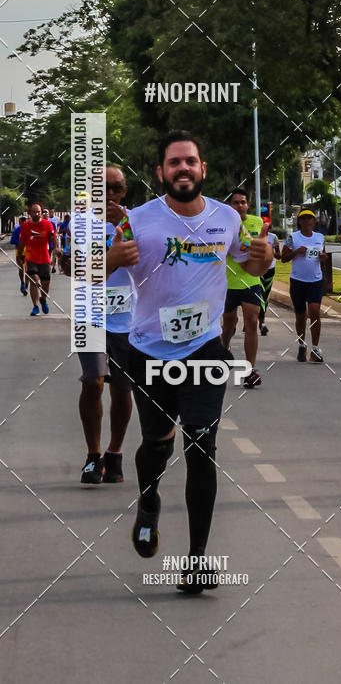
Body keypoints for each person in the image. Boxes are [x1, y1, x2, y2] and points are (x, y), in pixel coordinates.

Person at [106, 131, 272, 593]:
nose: (183, 168)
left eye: (191, 161)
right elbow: (76, 269)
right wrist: (107, 259)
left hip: (204, 349)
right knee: (157, 444)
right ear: (161, 172)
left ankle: (197, 561)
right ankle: (148, 500)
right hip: (149, 351)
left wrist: (265, 257)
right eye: (174, 162)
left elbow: (249, 264)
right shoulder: (137, 221)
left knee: (201, 446)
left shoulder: (226, 217)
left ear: (202, 170)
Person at [72, 168, 134, 485]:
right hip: (90, 314)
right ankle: (93, 456)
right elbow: (77, 271)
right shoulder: (82, 222)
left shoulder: (137, 222)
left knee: (123, 389)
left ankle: (115, 452)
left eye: (115, 187)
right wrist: (110, 258)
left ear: (124, 191)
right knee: (94, 382)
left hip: (129, 318)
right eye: (102, 188)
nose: (109, 193)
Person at [221, 189, 268, 388]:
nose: (240, 206)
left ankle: (249, 370)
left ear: (248, 205)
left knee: (252, 321)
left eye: (243, 202)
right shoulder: (222, 224)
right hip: (227, 282)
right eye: (235, 203)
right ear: (229, 206)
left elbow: (264, 247)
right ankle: (224, 349)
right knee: (229, 325)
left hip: (251, 281)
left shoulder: (257, 222)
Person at [281, 209, 326, 362]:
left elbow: (323, 255)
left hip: (315, 280)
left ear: (314, 222)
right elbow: (284, 258)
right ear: (299, 222)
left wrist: (323, 257)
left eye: (310, 219)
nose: (307, 222)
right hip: (298, 281)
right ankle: (302, 345)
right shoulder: (292, 237)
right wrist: (297, 251)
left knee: (314, 312)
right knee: (301, 316)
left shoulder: (320, 237)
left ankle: (315, 348)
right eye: (304, 219)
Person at [16, 204, 58, 316]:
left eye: (38, 211)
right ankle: (35, 306)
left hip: (44, 257)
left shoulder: (47, 224)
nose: (37, 214)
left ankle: (43, 299)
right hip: (31, 258)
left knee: (46, 282)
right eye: (34, 212)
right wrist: (19, 256)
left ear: (41, 212)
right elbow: (22, 242)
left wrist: (56, 248)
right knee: (34, 280)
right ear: (30, 213)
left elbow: (53, 237)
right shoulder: (25, 226)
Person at [258, 221, 280, 335]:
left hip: (270, 269)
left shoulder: (274, 238)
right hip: (257, 270)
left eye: (268, 226)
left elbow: (279, 255)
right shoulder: (255, 236)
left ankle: (262, 322)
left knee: (265, 297)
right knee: (258, 296)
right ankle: (256, 322)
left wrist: (271, 251)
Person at [10, 216, 28, 295]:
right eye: (22, 221)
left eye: (25, 221)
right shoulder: (17, 230)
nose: (24, 222)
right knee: (21, 268)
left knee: (28, 269)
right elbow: (12, 241)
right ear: (20, 222)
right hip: (19, 251)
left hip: (27, 251)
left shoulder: (29, 229)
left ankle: (26, 286)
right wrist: (21, 242)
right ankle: (22, 283)